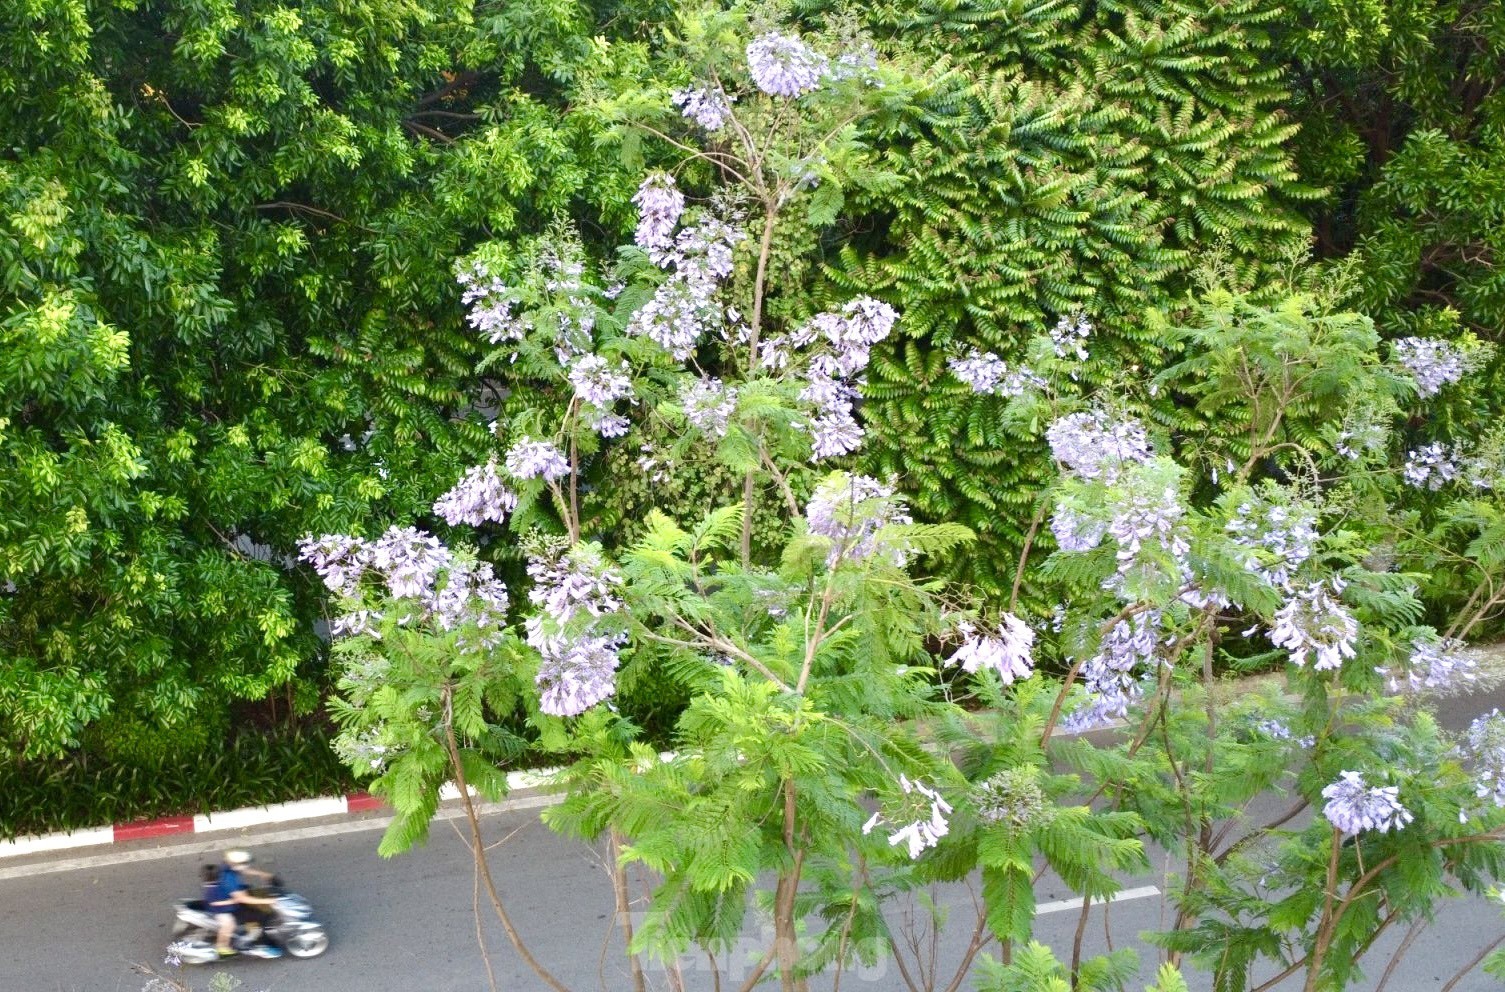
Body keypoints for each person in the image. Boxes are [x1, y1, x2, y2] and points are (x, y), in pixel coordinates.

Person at [213, 849, 278, 957]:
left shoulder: (227, 866)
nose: (246, 865)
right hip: (229, 907)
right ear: (237, 864)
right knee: (264, 916)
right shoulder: (229, 879)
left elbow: (243, 870)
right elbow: (242, 899)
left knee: (257, 898)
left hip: (230, 897)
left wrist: (263, 874)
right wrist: (269, 900)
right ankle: (262, 944)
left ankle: (252, 930)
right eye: (244, 863)